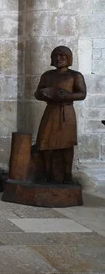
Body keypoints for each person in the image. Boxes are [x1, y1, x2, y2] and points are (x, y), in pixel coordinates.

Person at [34, 46, 86, 184]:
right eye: (55, 56)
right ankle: (47, 172)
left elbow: (82, 94)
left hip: (66, 112)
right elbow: (37, 93)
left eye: (62, 56)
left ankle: (67, 175)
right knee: (46, 142)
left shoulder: (75, 75)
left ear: (68, 58)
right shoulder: (47, 75)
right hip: (51, 110)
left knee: (67, 144)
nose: (58, 59)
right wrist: (43, 93)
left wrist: (69, 95)